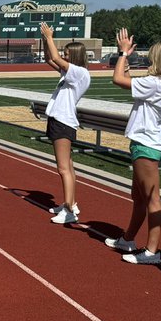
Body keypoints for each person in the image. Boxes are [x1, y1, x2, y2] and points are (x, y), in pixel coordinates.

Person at [104, 31, 161, 265]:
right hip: (147, 142)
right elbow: (126, 80)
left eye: (153, 56)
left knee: (151, 199)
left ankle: (151, 251)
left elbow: (117, 80)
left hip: (147, 144)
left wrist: (121, 54)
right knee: (139, 198)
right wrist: (125, 59)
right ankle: (128, 239)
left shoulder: (157, 83)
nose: (149, 58)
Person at [40, 22, 90, 224]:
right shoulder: (70, 74)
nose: (64, 56)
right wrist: (45, 40)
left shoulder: (80, 73)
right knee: (67, 166)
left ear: (75, 56)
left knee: (63, 168)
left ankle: (69, 210)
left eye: (68, 54)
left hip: (63, 122)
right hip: (58, 120)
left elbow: (55, 58)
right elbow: (49, 58)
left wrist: (50, 37)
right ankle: (70, 203)